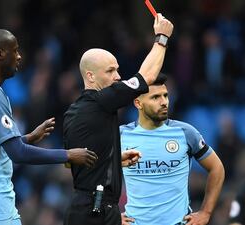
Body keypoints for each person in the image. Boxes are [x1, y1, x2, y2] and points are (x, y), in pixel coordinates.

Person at [0, 29, 98, 225]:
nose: (19, 56)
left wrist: (27, 137)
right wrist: (69, 155)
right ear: (0, 54)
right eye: (15, 50)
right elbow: (18, 154)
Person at [62, 14, 174, 225]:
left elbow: (71, 162)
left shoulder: (74, 112)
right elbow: (147, 77)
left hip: (89, 208)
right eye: (111, 70)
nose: (117, 77)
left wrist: (113, 159)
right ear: (91, 76)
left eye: (118, 70)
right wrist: (162, 37)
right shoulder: (102, 101)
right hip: (95, 210)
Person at [119, 73, 225, 225]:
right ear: (138, 103)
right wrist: (112, 214)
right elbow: (96, 174)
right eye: (155, 97)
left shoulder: (185, 132)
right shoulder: (121, 135)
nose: (164, 102)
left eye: (165, 96)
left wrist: (205, 213)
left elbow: (217, 168)